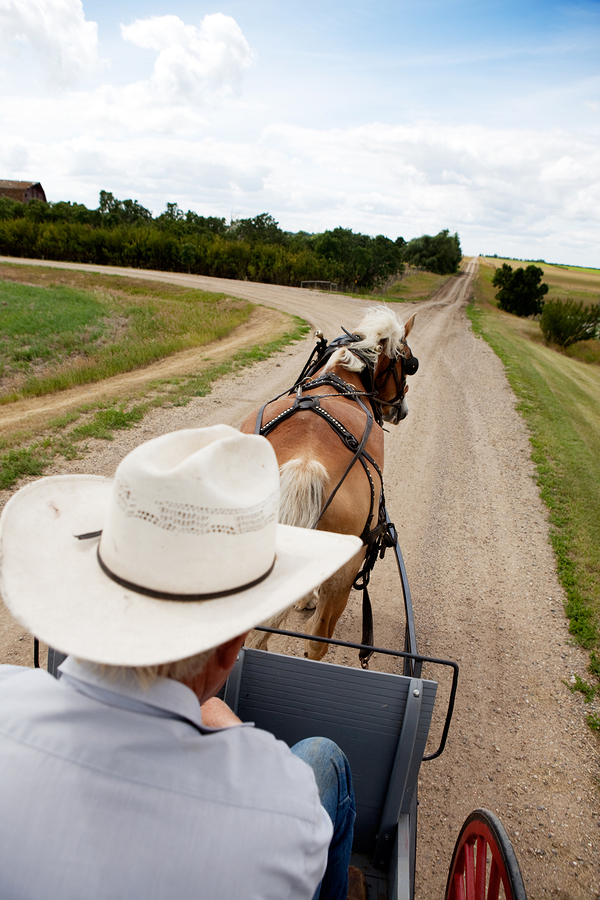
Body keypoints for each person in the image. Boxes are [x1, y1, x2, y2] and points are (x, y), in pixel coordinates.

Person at [0, 425, 366, 900]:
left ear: (98, 588)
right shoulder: (284, 804)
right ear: (233, 645)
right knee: (322, 754)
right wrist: (238, 736)